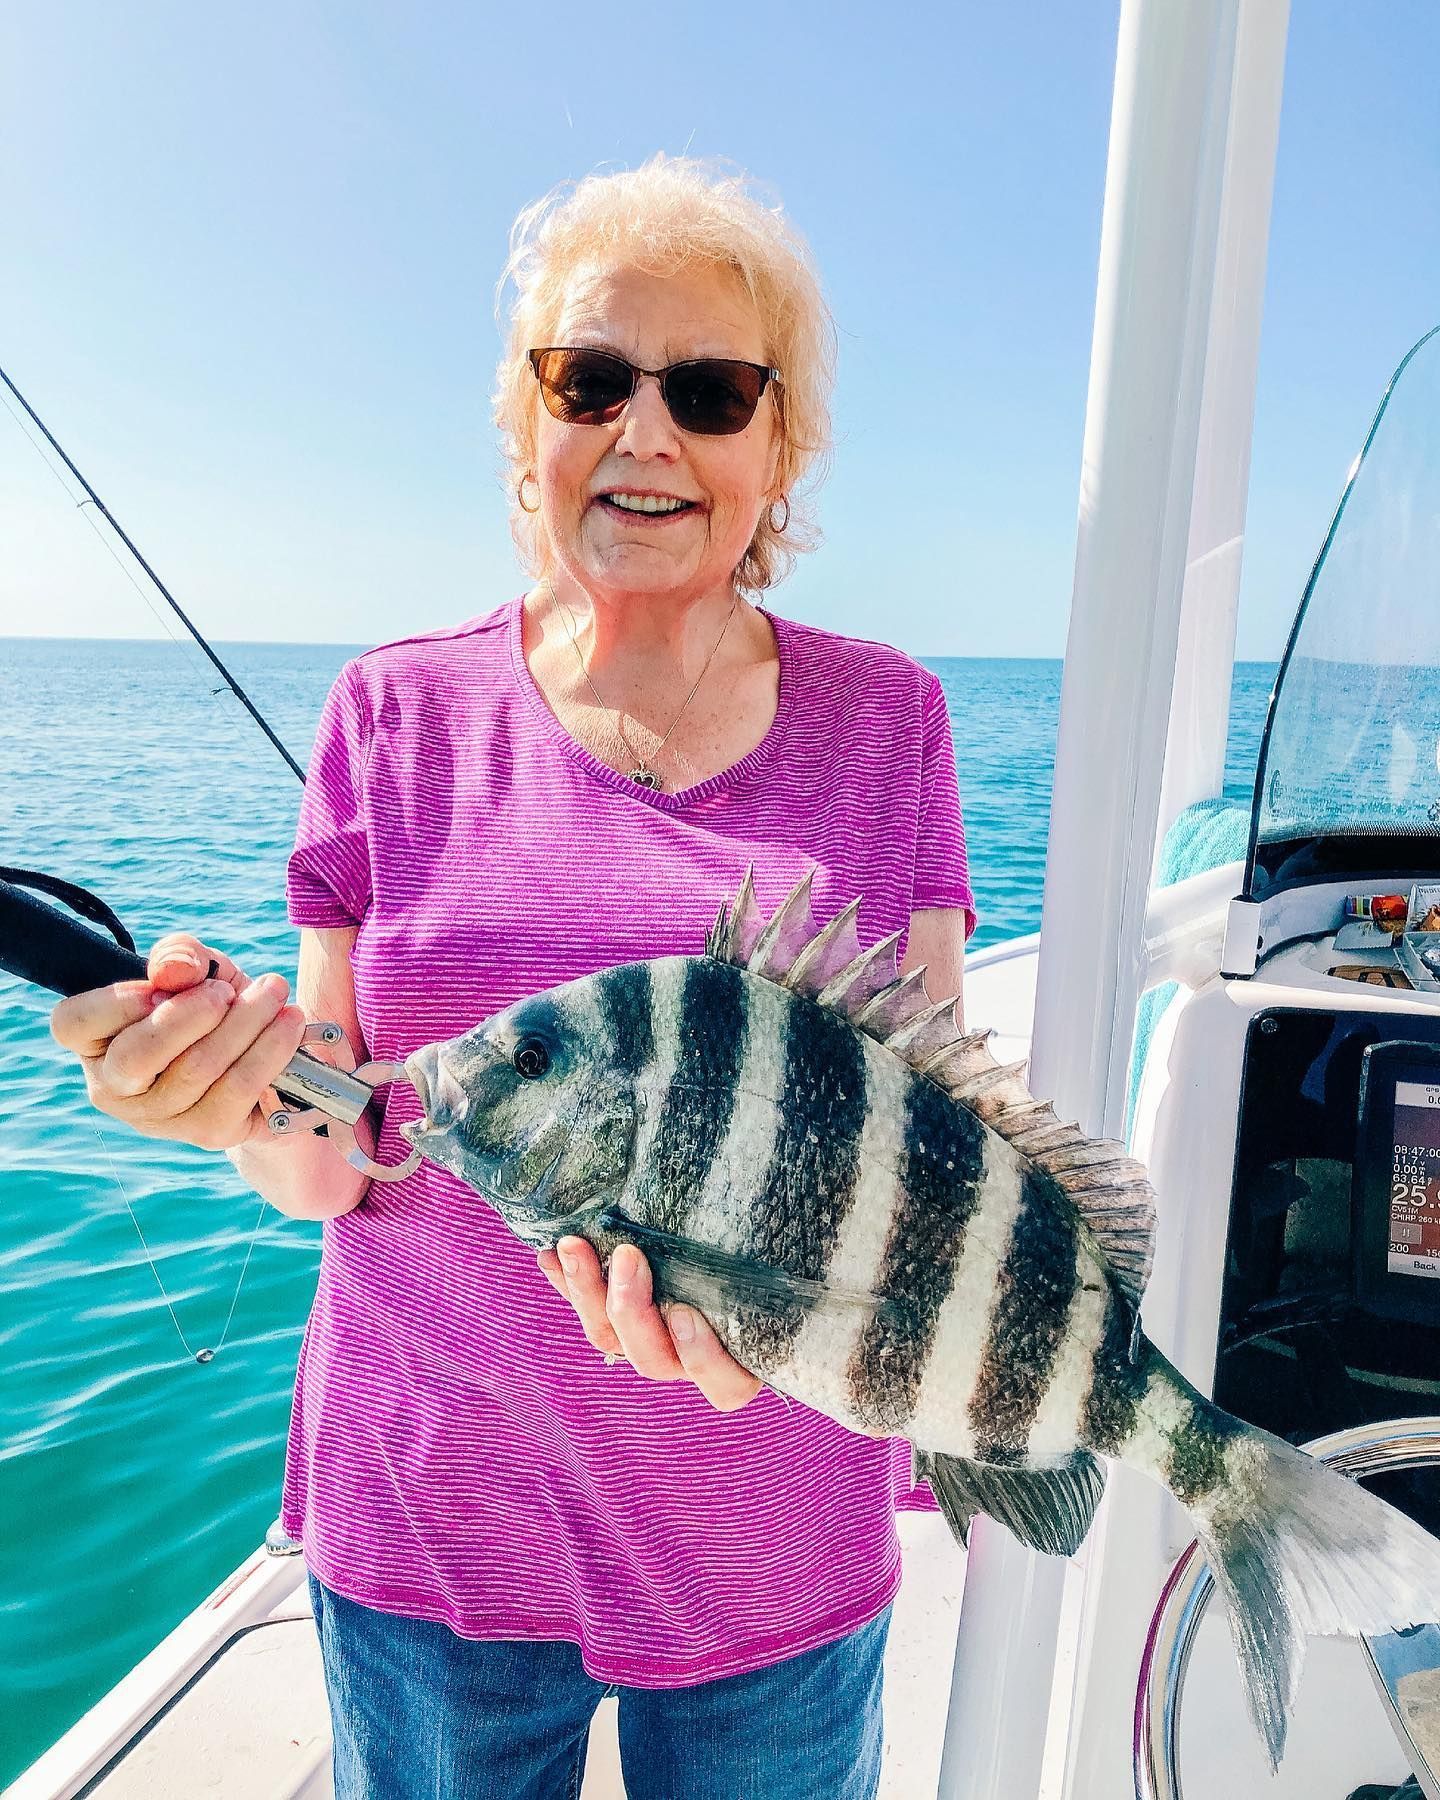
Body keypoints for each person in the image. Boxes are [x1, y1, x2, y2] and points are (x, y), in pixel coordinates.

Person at [51, 155, 975, 1800]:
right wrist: (215, 1091)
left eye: (708, 390)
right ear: (525, 426)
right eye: (592, 380)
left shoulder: (890, 721)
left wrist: (789, 1328)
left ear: (781, 448)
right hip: (432, 1529)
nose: (646, 433)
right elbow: (335, 1148)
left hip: (775, 1541)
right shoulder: (389, 713)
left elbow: (929, 1148)